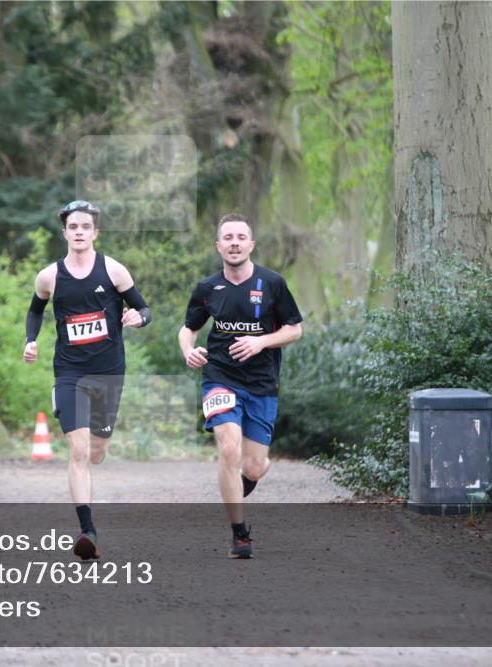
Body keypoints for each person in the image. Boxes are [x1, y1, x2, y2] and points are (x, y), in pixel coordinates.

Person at [23, 200, 152, 559]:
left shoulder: (113, 271)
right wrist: (31, 340)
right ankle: (87, 531)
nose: (79, 232)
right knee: (78, 450)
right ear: (64, 233)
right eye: (73, 227)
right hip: (69, 372)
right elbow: (35, 311)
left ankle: (99, 450)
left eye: (85, 227)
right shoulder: (49, 276)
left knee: (96, 452)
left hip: (109, 372)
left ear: (95, 233)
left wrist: (139, 318)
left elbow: (145, 308)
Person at [178, 213, 303, 559]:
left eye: (240, 237)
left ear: (251, 244)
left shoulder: (272, 283)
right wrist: (188, 350)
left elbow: (295, 329)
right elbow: (188, 328)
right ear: (218, 246)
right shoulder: (208, 288)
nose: (234, 242)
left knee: (253, 466)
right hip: (220, 376)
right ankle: (239, 534)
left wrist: (260, 342)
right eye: (227, 237)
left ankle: (250, 475)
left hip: (262, 383)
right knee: (228, 449)